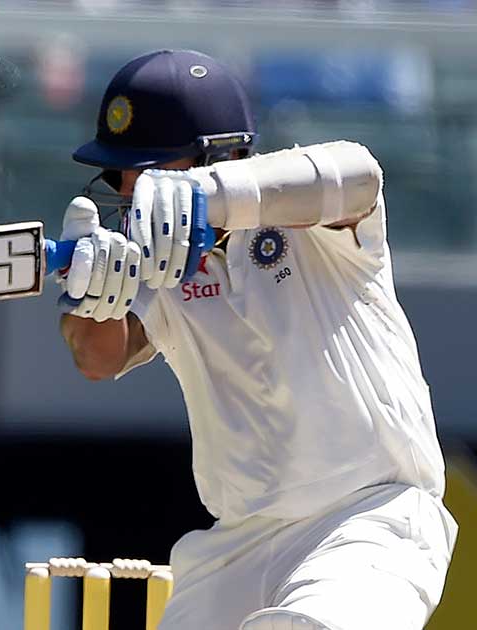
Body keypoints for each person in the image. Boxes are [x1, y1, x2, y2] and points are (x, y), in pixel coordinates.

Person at [58, 49, 458, 630]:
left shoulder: (314, 221)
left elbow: (359, 174)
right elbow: (98, 357)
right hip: (236, 547)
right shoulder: (156, 256)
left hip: (371, 519)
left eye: (148, 170)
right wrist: (91, 296)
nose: (130, 187)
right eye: (123, 172)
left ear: (221, 153)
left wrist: (210, 194)